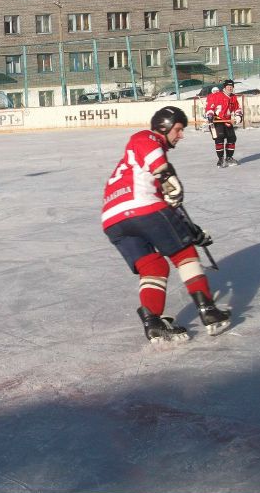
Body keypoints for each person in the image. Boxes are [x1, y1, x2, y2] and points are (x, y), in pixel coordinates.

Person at [101, 106, 231, 344]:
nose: (180, 136)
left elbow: (169, 208)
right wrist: (165, 174)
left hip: (113, 220)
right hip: (144, 208)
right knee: (185, 255)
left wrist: (191, 231)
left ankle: (153, 322)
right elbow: (149, 153)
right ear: (165, 125)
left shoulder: (136, 169)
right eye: (179, 129)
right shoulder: (148, 138)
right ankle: (209, 311)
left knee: (154, 268)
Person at [204, 79, 243, 167]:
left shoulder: (233, 97)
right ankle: (220, 159)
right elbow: (209, 107)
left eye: (231, 87)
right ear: (224, 87)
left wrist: (238, 115)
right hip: (217, 120)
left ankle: (229, 158)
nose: (230, 88)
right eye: (228, 87)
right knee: (219, 139)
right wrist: (210, 115)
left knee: (232, 138)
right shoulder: (216, 96)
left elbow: (237, 108)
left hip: (227, 120)